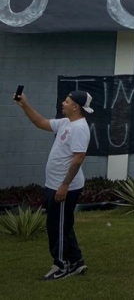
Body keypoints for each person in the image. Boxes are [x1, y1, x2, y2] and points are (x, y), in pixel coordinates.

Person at [14, 90, 94, 281]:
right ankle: (76, 262)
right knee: (63, 225)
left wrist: (64, 185)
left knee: (55, 227)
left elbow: (78, 159)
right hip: (55, 184)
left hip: (65, 187)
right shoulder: (67, 123)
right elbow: (40, 122)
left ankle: (60, 265)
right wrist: (24, 104)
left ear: (75, 106)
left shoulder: (80, 129)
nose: (63, 103)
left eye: (66, 101)